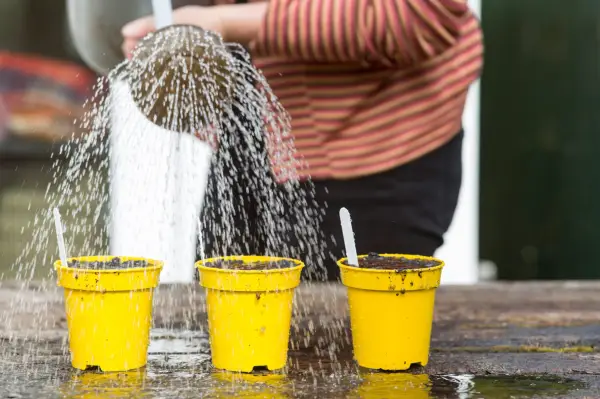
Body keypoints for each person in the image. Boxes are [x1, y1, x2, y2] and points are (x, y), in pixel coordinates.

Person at [121, 0, 484, 281]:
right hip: (249, 141)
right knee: (227, 339)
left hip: (375, 143)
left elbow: (418, 16)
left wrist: (225, 24)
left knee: (365, 354)